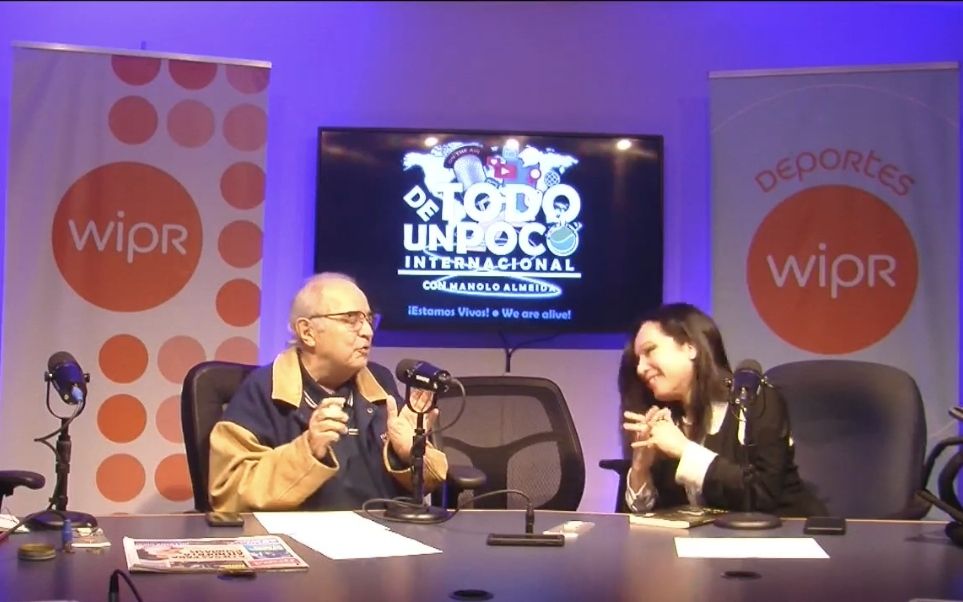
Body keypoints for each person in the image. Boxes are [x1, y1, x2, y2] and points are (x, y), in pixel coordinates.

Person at [209, 273, 448, 512]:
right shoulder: (264, 389)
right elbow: (228, 489)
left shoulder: (379, 383)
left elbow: (429, 483)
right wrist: (307, 449)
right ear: (307, 332)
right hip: (297, 533)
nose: (367, 331)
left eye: (368, 319)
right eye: (350, 319)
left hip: (383, 530)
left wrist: (409, 454)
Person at [618, 302, 825, 516]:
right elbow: (652, 519)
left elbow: (763, 494)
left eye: (650, 350)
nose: (640, 368)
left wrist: (684, 449)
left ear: (690, 347)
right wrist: (640, 468)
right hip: (707, 536)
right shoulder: (665, 420)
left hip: (790, 531)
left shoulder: (755, 400)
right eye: (637, 360)